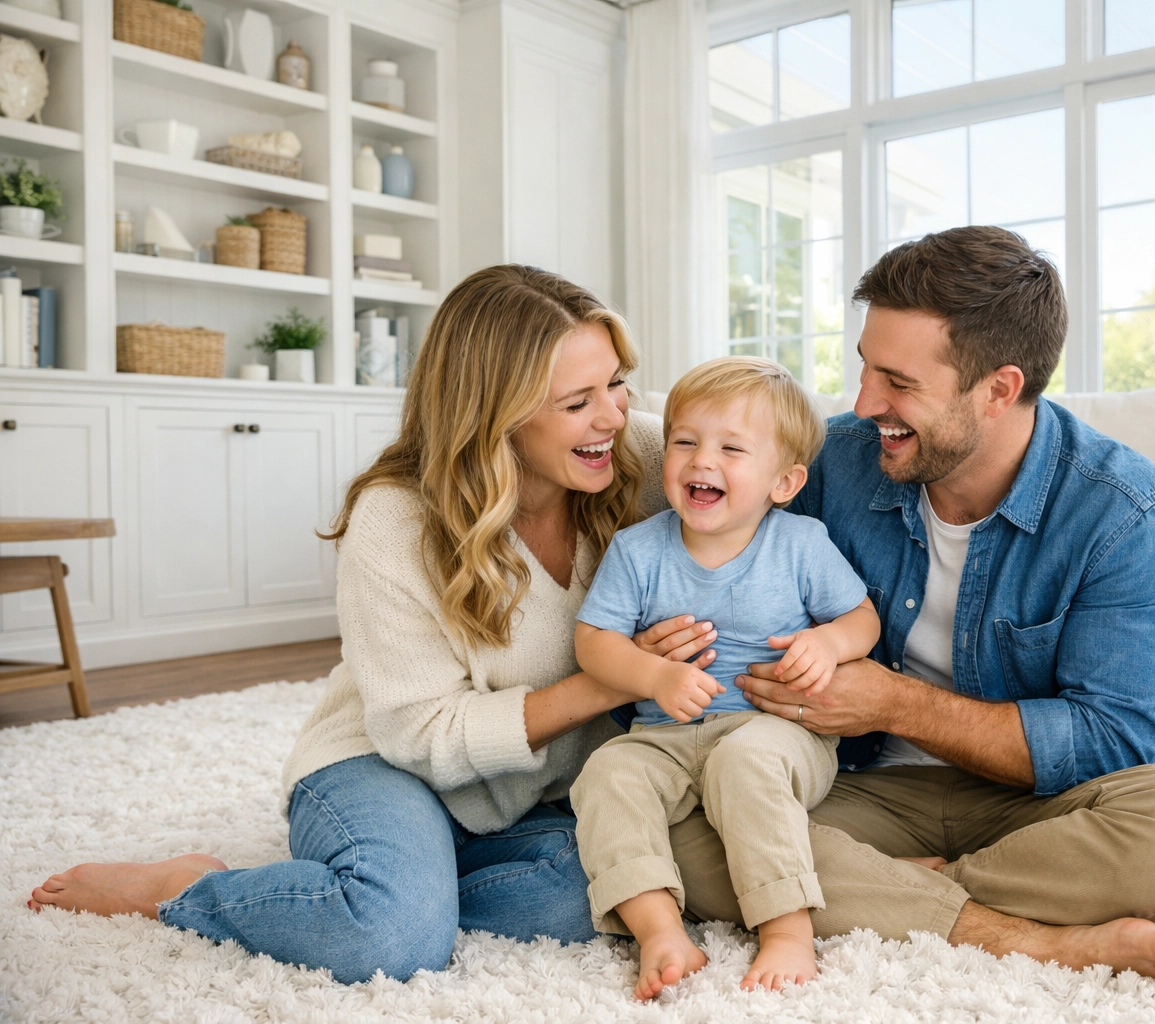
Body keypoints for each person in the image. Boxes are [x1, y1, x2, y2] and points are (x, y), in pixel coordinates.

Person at [25, 265, 715, 984]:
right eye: (578, 401)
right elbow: (418, 733)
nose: (613, 415)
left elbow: (765, 461)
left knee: (603, 892)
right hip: (388, 764)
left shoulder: (641, 454)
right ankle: (189, 887)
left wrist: (799, 652)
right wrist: (614, 680)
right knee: (390, 939)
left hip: (535, 793)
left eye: (617, 383)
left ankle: (405, 885)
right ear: (496, 412)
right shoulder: (397, 518)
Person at [671, 226, 1155, 994]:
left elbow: (1113, 741)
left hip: (1039, 809)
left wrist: (893, 702)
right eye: (864, 368)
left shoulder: (1125, 512)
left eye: (898, 382)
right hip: (851, 787)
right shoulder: (828, 463)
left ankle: (894, 891)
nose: (864, 403)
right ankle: (1024, 935)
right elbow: (722, 577)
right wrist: (672, 639)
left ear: (999, 390)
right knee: (677, 825)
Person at [570, 358, 881, 998]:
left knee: (745, 760)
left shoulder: (800, 543)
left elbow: (862, 619)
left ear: (784, 481)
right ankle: (659, 930)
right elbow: (593, 642)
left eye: (731, 449)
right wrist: (655, 675)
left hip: (776, 733)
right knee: (607, 772)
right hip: (666, 734)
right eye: (684, 441)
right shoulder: (638, 549)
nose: (701, 460)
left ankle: (787, 929)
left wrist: (827, 643)